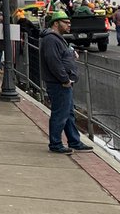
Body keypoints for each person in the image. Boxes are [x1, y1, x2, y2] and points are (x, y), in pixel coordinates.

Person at [39, 10, 92, 153]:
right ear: (56, 23)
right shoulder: (51, 39)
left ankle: (74, 141)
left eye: (69, 22)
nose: (69, 25)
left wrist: (70, 52)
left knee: (68, 114)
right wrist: (65, 79)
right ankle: (56, 144)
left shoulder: (57, 38)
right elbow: (53, 62)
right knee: (60, 114)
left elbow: (60, 55)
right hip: (58, 83)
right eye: (66, 22)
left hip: (62, 82)